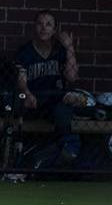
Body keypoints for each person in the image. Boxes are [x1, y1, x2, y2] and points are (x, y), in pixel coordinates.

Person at [14, 9, 83, 164]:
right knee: (19, 105)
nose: (44, 28)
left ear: (54, 30)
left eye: (48, 24)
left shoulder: (60, 50)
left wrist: (69, 47)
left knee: (63, 111)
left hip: (55, 99)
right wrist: (27, 93)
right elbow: (21, 79)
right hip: (33, 99)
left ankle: (67, 149)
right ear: (34, 27)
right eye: (40, 24)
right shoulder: (25, 51)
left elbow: (71, 76)